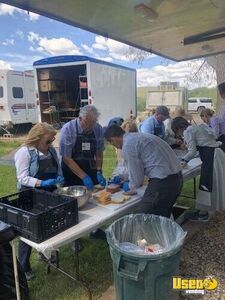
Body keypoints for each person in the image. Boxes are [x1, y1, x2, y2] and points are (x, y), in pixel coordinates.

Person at [14, 122, 64, 281]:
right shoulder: (25, 152)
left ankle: (45, 254)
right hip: (30, 194)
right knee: (29, 230)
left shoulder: (51, 151)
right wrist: (41, 183)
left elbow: (58, 168)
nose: (51, 144)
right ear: (36, 138)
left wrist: (59, 179)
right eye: (48, 141)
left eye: (52, 141)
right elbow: (22, 177)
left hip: (49, 192)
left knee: (50, 224)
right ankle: (24, 266)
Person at [105, 125, 183, 218]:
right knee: (162, 216)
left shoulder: (128, 145)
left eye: (112, 143)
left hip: (163, 182)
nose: (116, 148)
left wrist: (131, 187)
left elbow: (137, 178)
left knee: (145, 217)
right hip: (177, 178)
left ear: (113, 139)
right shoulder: (138, 137)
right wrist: (123, 177)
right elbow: (137, 165)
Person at [171, 117, 223, 220]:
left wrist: (184, 161)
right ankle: (203, 210)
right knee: (210, 184)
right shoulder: (198, 126)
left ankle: (202, 214)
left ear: (178, 128)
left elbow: (192, 151)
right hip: (217, 154)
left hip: (211, 158)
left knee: (206, 184)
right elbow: (206, 142)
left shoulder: (188, 131)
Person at [60, 105, 106, 189]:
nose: (90, 127)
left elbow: (99, 152)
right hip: (72, 172)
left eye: (93, 123)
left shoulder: (98, 129)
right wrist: (84, 177)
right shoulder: (68, 129)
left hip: (90, 168)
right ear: (80, 118)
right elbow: (67, 158)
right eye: (87, 123)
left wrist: (99, 170)